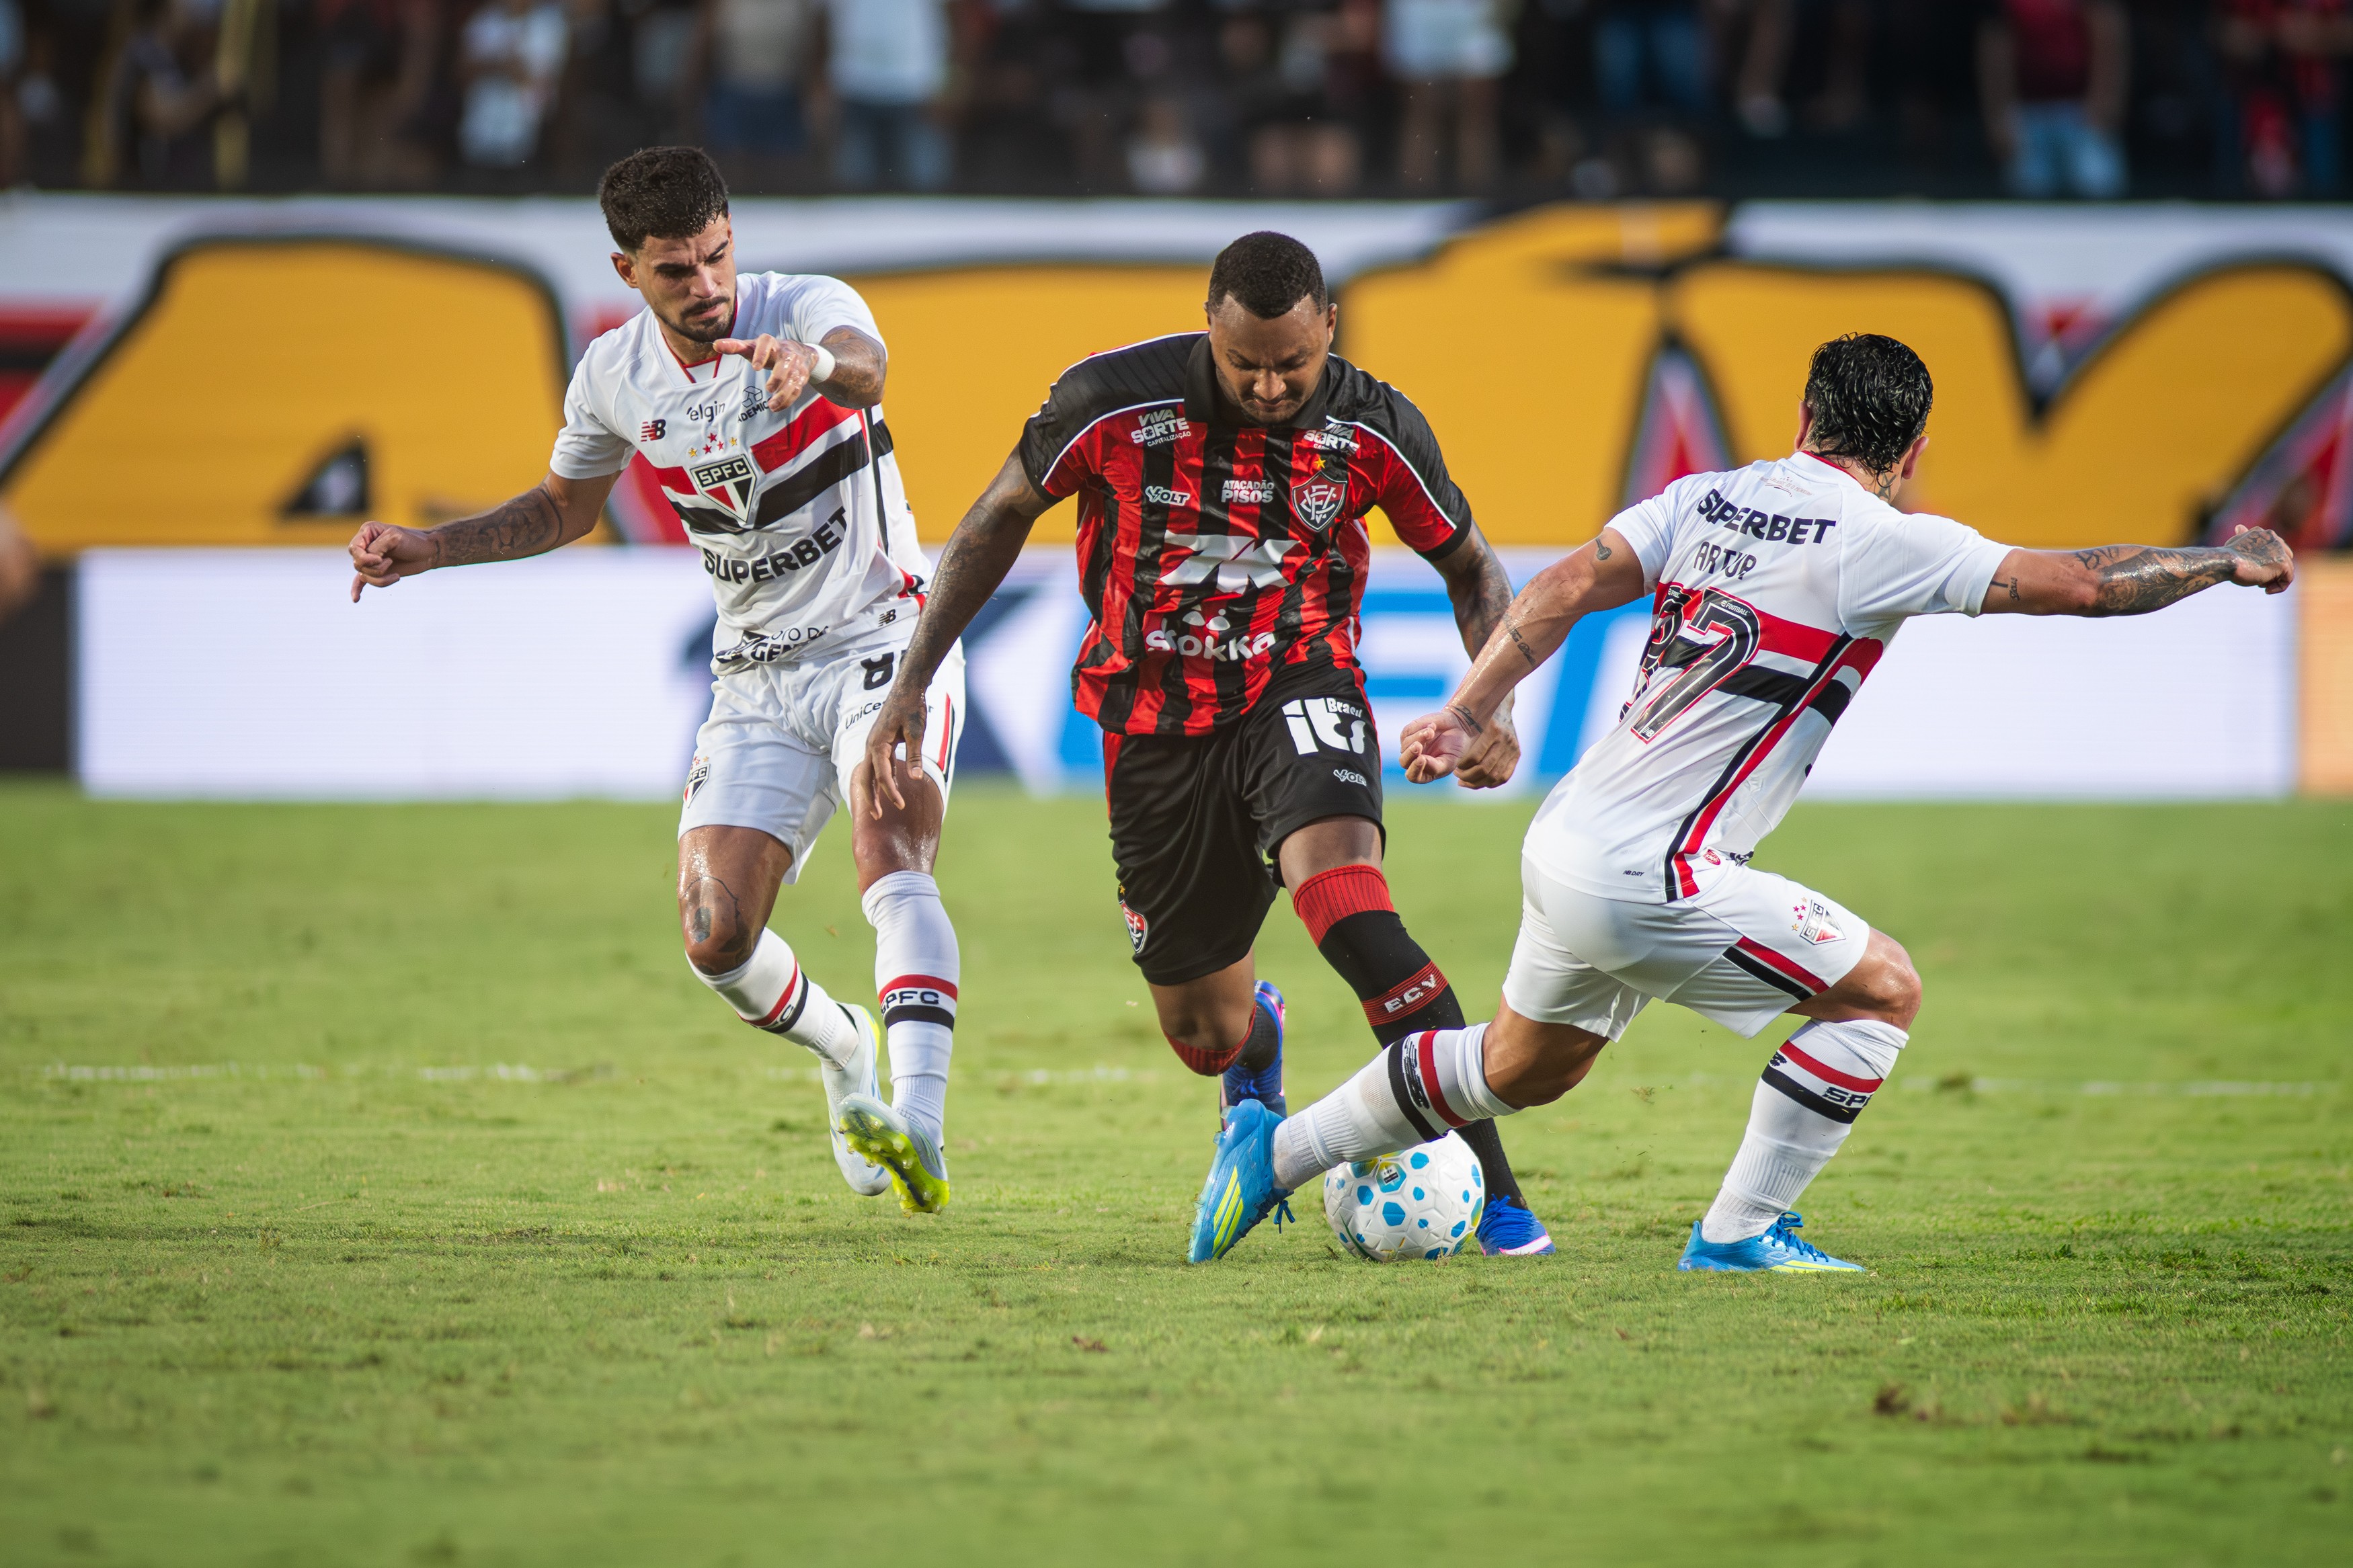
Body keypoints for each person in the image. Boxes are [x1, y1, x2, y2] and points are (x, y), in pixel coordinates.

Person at [1189, 332, 2298, 1269]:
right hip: (1651, 873)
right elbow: (2087, 586)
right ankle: (1741, 1231)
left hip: (1567, 839)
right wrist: (2225, 560)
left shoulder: (1704, 496)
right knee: (1881, 991)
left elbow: (1567, 583)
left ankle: (1271, 1153)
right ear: (1910, 453)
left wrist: (1471, 708)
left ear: (1808, 413)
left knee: (1524, 1068)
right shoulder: (1885, 541)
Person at [861, 231, 1560, 1262]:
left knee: (1353, 913)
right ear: (1210, 329)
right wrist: (912, 680)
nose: (1273, 385)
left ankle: (1500, 1198)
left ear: (1330, 326)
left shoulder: (1375, 426)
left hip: (1299, 686)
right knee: (1203, 1035)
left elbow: (1468, 563)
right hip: (1150, 729)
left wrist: (1487, 703)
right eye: (1247, 365)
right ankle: (1257, 1051)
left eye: (1294, 362)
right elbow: (997, 518)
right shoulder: (1110, 401)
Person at [345, 147, 965, 1214]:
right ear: (628, 270)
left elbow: (868, 367)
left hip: (885, 637)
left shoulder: (804, 309)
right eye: (677, 270)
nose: (710, 286)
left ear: (733, 234)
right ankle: (846, 1048)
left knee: (890, 851)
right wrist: (428, 549)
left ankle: (918, 1126)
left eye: (718, 255)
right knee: (714, 934)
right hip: (757, 677)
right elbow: (561, 509)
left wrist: (813, 368)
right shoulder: (613, 377)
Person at [1977, 0, 2130, 199]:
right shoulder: (2012, 6)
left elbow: (2108, 35)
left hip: (2080, 114)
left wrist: (2105, 103)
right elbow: (1995, 50)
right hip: (2027, 117)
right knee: (2029, 192)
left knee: (2097, 185)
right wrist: (1999, 118)